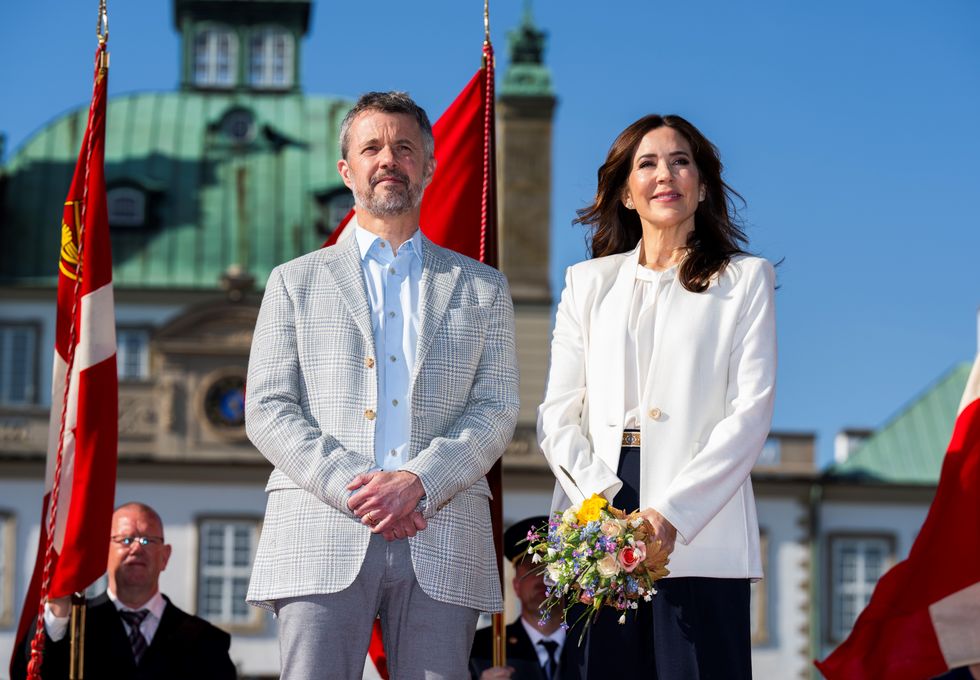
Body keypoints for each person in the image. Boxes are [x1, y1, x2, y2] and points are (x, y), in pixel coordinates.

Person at [244, 91, 520, 679]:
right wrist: (357, 489)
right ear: (346, 170)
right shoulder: (293, 281)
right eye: (371, 148)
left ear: (429, 166)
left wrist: (419, 482)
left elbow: (495, 409)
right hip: (319, 529)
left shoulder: (483, 287)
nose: (388, 159)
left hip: (443, 531)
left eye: (404, 148)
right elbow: (268, 407)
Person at [537, 114, 777, 679]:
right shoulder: (586, 283)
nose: (665, 174)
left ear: (702, 185)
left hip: (700, 524)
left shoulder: (745, 280)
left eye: (680, 162)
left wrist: (669, 516)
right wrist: (602, 508)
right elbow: (557, 416)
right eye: (647, 163)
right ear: (625, 192)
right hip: (598, 516)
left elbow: (749, 413)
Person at [12, 502, 236, 680]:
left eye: (148, 540)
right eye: (125, 539)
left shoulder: (206, 641)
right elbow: (31, 674)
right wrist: (58, 614)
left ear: (165, 556)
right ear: (104, 552)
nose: (136, 548)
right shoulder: (73, 626)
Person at [469, 517, 578, 680]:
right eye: (532, 568)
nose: (543, 578)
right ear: (516, 586)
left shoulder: (590, 644)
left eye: (551, 568)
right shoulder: (481, 648)